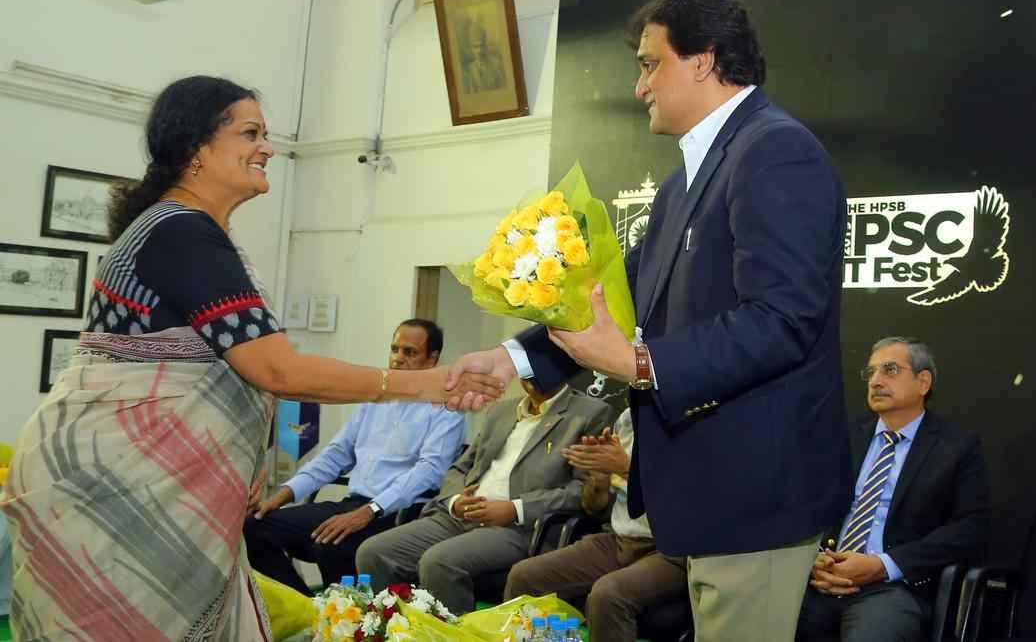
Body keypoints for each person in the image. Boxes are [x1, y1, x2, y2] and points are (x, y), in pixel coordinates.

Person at [0, 76, 501, 641]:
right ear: (196, 147)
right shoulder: (180, 231)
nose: (268, 148)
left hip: (139, 487)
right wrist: (432, 384)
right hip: (115, 490)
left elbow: (249, 369)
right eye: (250, 133)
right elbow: (277, 370)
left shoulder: (191, 231)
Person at [448, 0, 851, 642]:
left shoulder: (776, 151)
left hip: (756, 493)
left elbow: (782, 321)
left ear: (703, 60)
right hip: (705, 497)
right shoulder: (685, 180)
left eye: (649, 64)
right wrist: (510, 359)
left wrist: (640, 361)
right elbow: (619, 295)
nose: (639, 87)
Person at [243, 319, 466, 596]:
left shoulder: (447, 410)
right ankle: (306, 607)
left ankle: (342, 615)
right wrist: (282, 495)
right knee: (254, 528)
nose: (398, 358)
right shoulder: (376, 399)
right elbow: (335, 455)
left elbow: (428, 472)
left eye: (410, 352)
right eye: (394, 349)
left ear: (432, 359)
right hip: (352, 504)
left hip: (397, 514)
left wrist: (369, 511)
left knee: (331, 544)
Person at [355, 380, 614, 614]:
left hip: (517, 526)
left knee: (439, 562)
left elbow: (581, 491)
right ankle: (394, 632)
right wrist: (455, 500)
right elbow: (460, 468)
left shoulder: (588, 413)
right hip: (460, 515)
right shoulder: (502, 411)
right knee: (374, 552)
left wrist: (514, 508)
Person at [796, 337, 990, 642]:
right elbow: (808, 506)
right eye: (871, 372)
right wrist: (813, 560)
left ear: (923, 382)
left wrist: (883, 565)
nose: (875, 381)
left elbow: (971, 528)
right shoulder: (845, 436)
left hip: (892, 589)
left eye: (889, 370)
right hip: (821, 580)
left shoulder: (956, 447)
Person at [504, 408, 687, 642]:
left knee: (608, 595)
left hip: (673, 549)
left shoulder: (695, 418)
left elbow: (691, 500)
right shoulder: (628, 418)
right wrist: (599, 480)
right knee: (525, 576)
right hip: (620, 539)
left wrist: (626, 468)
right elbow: (594, 507)